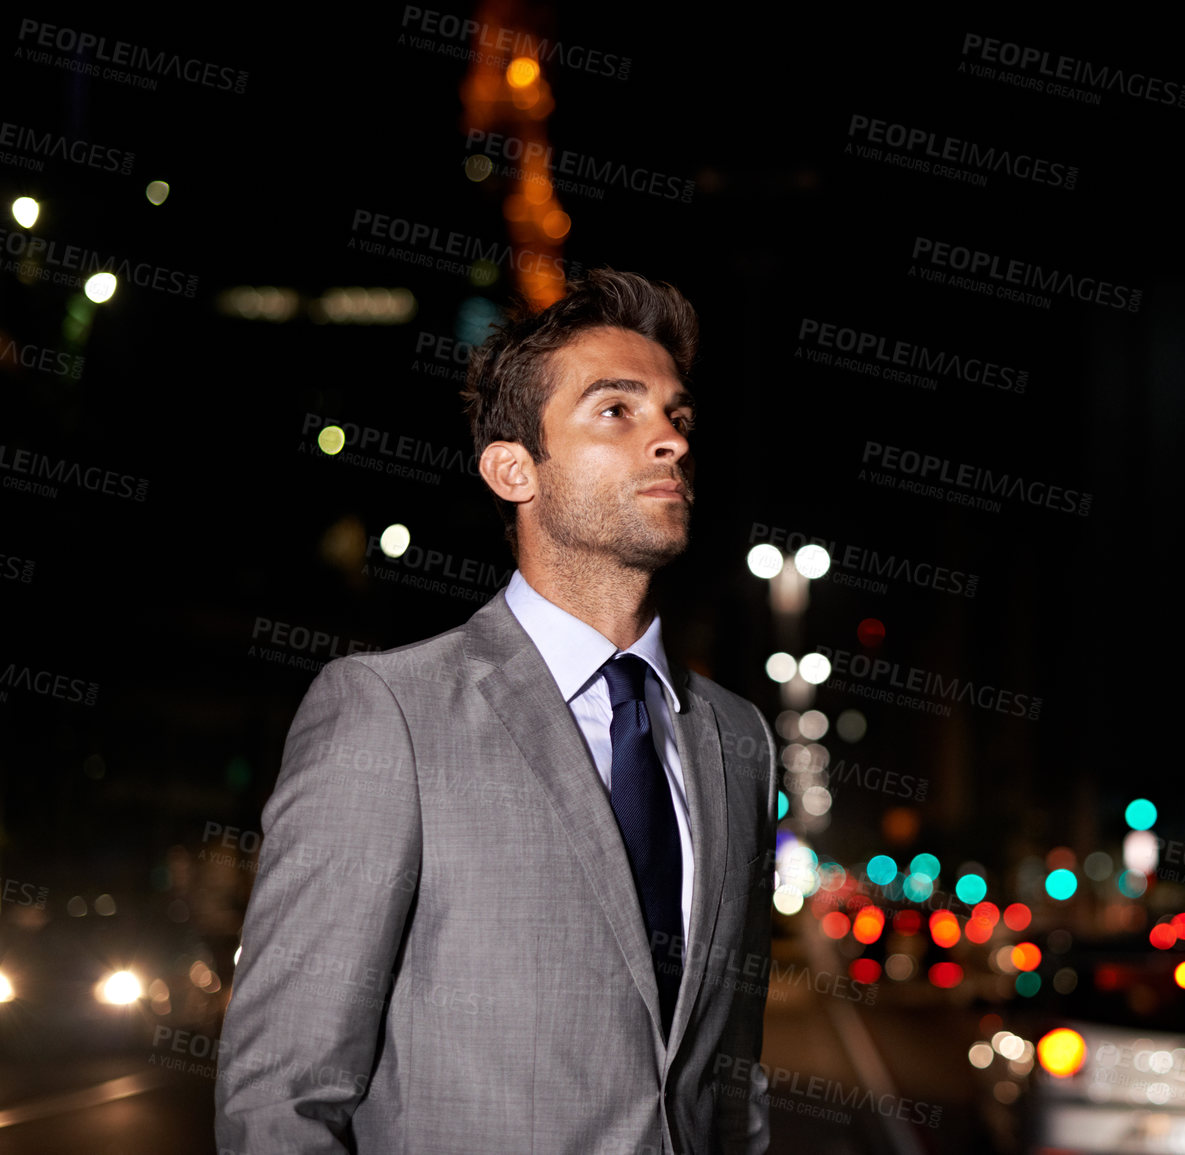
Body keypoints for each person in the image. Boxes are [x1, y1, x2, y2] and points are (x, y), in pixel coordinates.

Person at [215, 268, 775, 1154]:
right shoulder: (388, 713)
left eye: (678, 415)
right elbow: (282, 1096)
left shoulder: (736, 737)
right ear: (513, 467)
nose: (669, 438)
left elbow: (728, 1075)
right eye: (616, 410)